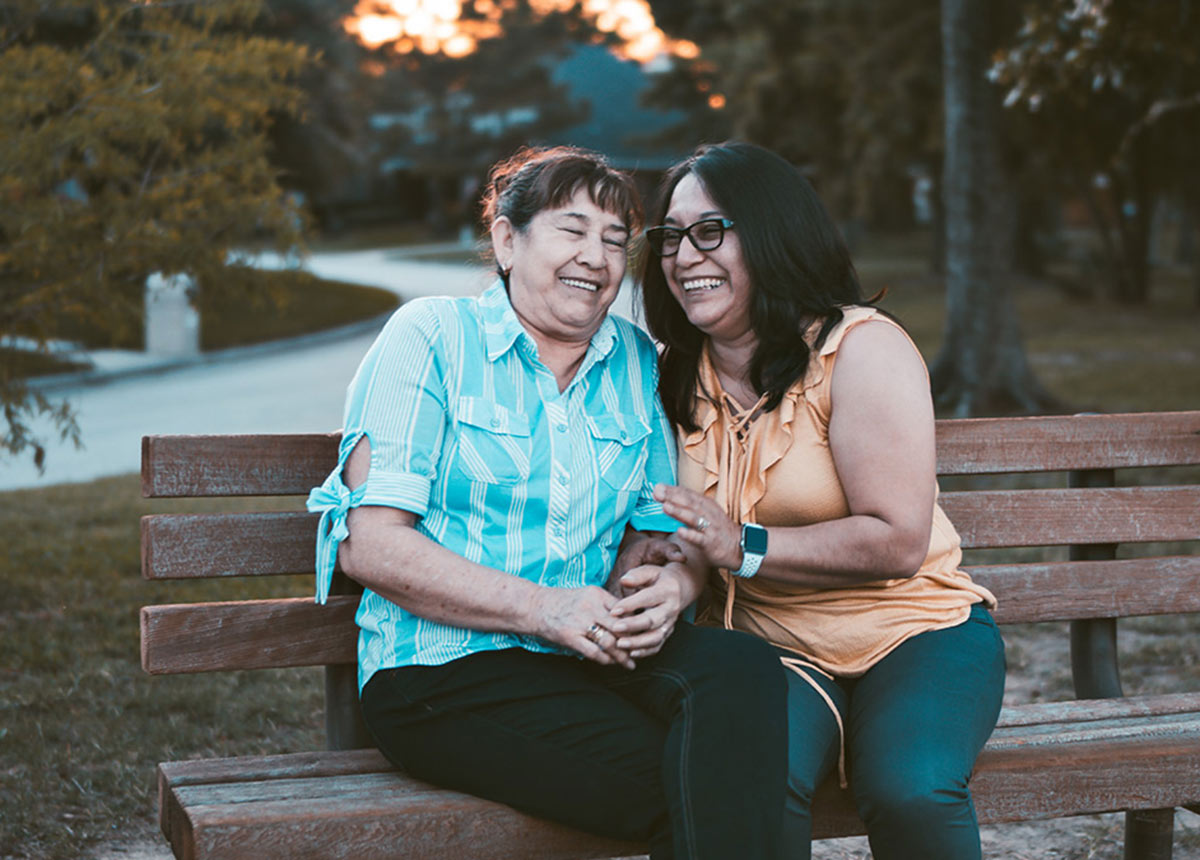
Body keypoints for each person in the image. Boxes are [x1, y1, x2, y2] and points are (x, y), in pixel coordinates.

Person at [306, 145, 789, 860]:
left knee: (742, 672)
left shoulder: (636, 361)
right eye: (571, 229)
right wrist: (544, 608)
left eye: (615, 239)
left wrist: (660, 584)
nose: (595, 257)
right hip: (443, 670)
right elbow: (371, 543)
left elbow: (654, 531)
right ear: (507, 240)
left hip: (585, 650)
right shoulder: (432, 337)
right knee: (696, 780)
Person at [638, 141, 1006, 860]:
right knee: (746, 785)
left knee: (912, 789)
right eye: (671, 237)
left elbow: (898, 540)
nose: (684, 256)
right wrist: (659, 571)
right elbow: (679, 531)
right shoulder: (671, 377)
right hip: (768, 648)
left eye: (710, 230)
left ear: (774, 232)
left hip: (913, 633)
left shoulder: (860, 349)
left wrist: (741, 545)